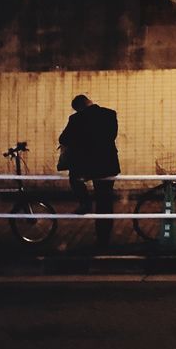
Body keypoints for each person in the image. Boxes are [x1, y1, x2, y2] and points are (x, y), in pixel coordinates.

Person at [58, 94, 120, 248]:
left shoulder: (76, 119)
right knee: (105, 201)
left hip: (87, 165)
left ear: (79, 107)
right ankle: (103, 238)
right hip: (107, 164)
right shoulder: (110, 114)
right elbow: (112, 136)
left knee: (74, 178)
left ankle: (85, 203)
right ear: (89, 101)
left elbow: (63, 139)